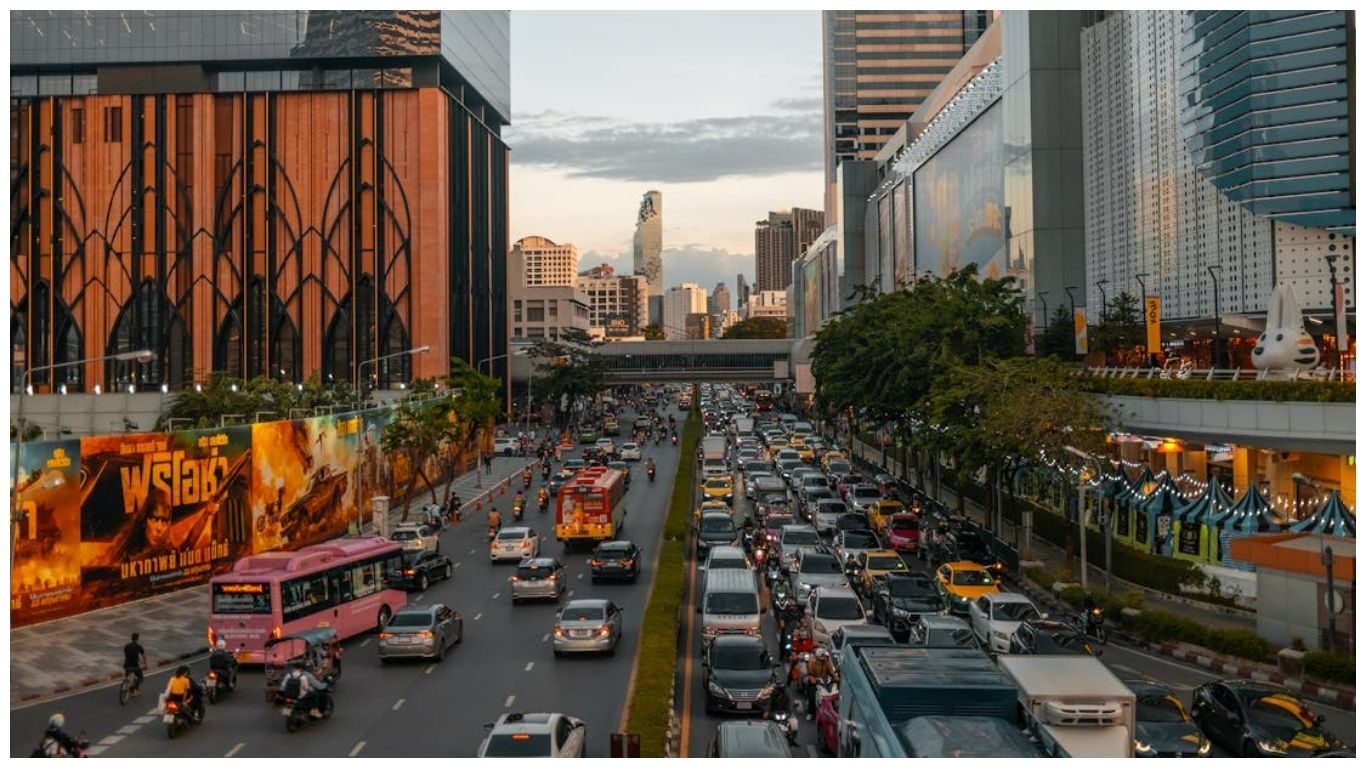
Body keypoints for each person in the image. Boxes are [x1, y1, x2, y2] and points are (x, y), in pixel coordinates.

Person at [802, 647, 839, 719]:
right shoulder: (812, 663)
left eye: (823, 657)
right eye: (821, 658)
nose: (822, 659)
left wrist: (835, 677)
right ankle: (811, 713)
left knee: (836, 692)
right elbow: (810, 673)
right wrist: (813, 679)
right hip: (816, 681)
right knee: (812, 695)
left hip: (825, 681)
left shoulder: (826, 662)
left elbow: (831, 671)